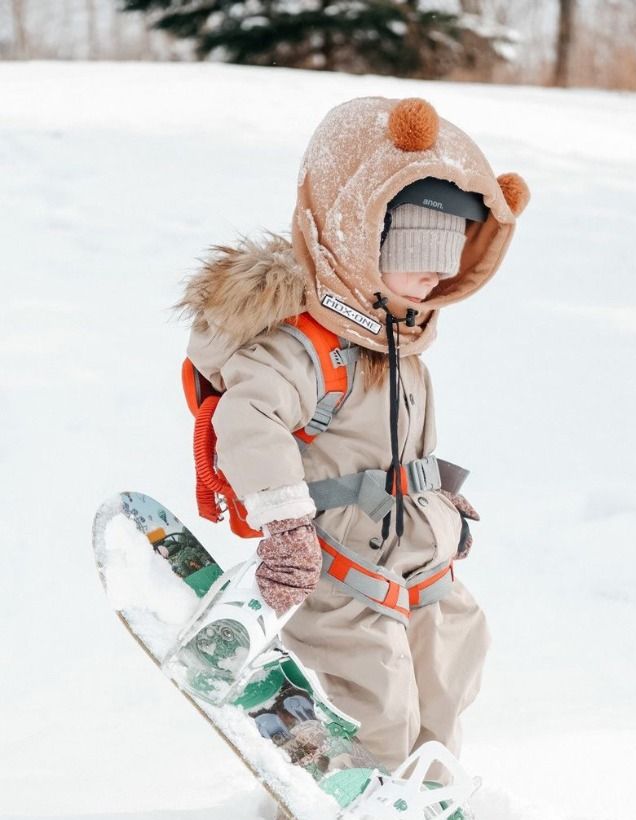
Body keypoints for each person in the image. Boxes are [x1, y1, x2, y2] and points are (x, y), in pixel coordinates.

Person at [180, 96, 529, 771]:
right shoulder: (304, 346)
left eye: (448, 256)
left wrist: (436, 502)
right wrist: (285, 526)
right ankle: (350, 799)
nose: (435, 273)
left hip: (414, 555)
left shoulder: (402, 338)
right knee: (379, 702)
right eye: (417, 253)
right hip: (340, 563)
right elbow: (247, 421)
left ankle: (426, 791)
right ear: (358, 242)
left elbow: (401, 448)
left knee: (454, 661)